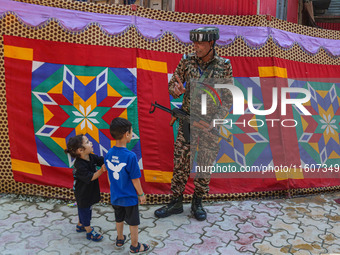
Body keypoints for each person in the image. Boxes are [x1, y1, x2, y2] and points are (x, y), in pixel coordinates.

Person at [154, 27, 233, 221]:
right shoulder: (186, 61)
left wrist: (215, 122)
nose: (196, 47)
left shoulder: (224, 66)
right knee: (181, 162)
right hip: (188, 120)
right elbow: (172, 86)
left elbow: (228, 98)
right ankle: (176, 202)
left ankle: (197, 202)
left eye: (200, 44)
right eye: (194, 43)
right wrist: (177, 91)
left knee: (205, 164)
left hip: (209, 125)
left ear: (212, 44)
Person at [105, 117, 150, 254]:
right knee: (133, 222)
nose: (132, 134)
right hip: (129, 198)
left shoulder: (109, 154)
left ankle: (119, 239)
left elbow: (109, 175)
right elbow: (135, 179)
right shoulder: (130, 156)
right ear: (126, 134)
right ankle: (135, 246)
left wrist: (113, 188)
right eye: (131, 132)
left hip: (116, 196)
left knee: (119, 218)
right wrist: (141, 194)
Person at [64, 134, 106, 241]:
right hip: (82, 193)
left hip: (89, 191)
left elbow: (102, 160)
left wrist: (111, 158)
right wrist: (101, 170)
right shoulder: (79, 165)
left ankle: (80, 225)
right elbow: (91, 177)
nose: (91, 143)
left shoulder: (91, 157)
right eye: (87, 142)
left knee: (83, 209)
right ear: (80, 150)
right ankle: (89, 231)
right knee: (86, 211)